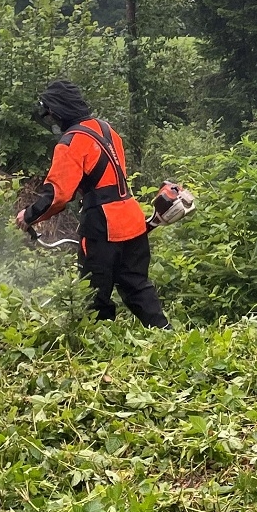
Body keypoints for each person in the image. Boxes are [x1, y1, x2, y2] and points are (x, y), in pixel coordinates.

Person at [15, 80, 170, 328]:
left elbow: (58, 195)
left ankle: (100, 350)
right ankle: (167, 335)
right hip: (132, 218)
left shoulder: (70, 142)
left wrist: (29, 216)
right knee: (138, 286)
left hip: (103, 225)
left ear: (56, 111)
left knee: (94, 295)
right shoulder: (107, 130)